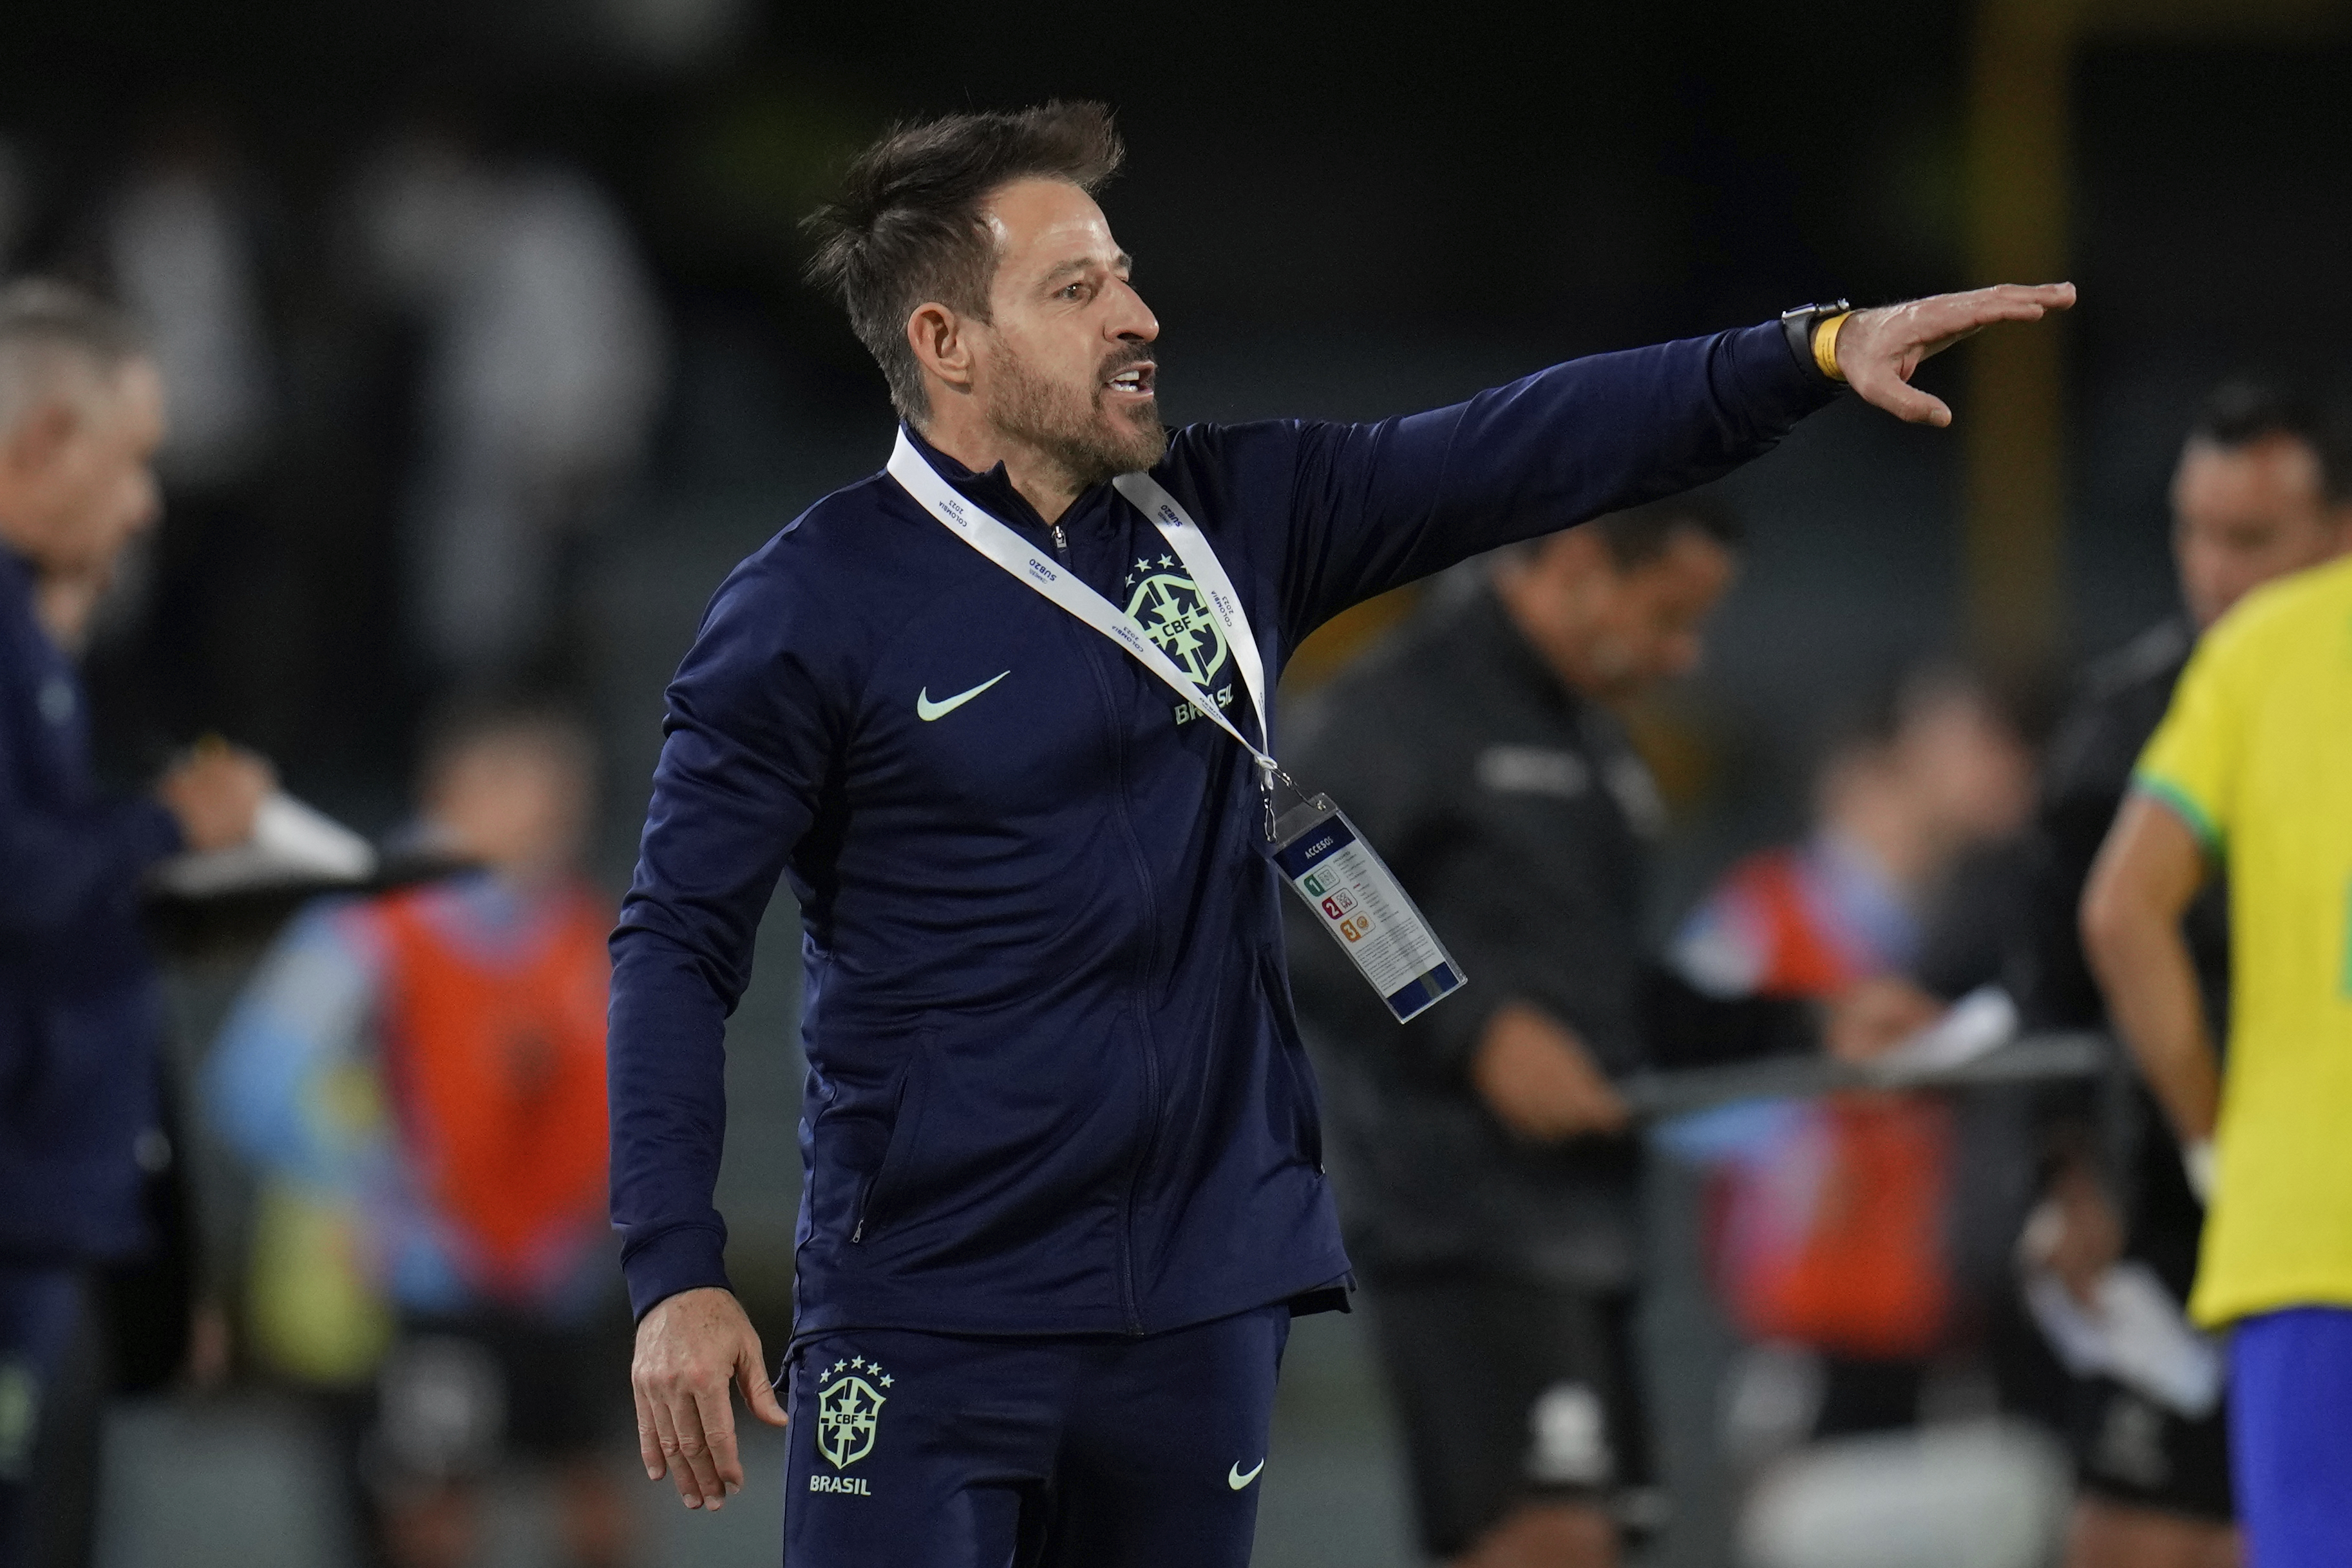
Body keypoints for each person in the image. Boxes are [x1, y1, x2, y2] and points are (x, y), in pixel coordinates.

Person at [607, 99, 2071, 1566]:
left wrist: (1802, 351)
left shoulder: (1234, 516)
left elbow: (1518, 446)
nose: (1137, 313)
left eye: (1121, 271)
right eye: (1076, 288)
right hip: (928, 1299)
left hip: (1200, 1297)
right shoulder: (805, 609)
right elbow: (675, 939)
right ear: (945, 343)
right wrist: (675, 1265)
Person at [1282, 499, 1861, 1568]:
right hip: (1456, 1220)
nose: (1681, 656)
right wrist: (1478, 1033)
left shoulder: (1586, 734)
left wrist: (1814, 1019)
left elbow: (1603, 1003)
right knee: (1551, 1545)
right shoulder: (1403, 706)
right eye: (1666, 617)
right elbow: (1302, 895)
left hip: (1581, 1229)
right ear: (1581, 566)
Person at [2018, 381, 2352, 1568]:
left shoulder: (2253, 671)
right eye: (2190, 530)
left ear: (2338, 529)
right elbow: (2049, 972)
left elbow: (2119, 914)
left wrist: (2225, 1141)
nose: (2210, 567)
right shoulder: (2114, 722)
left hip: (2275, 1194)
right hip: (2169, 1206)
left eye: (2248, 538)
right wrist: (2069, 1170)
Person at [207, 696, 627, 1568]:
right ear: (456, 790)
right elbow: (249, 1081)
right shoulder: (372, 924)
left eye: (563, 792)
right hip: (428, 1285)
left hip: (552, 1280)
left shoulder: (572, 924)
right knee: (431, 1518)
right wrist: (383, 1182)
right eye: (529, 787)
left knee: (596, 1512)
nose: (555, 812)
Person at [0, 279, 269, 1560]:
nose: (144, 502)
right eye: (131, 459)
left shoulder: (33, 639)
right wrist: (175, 823)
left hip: (58, 1204)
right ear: (42, 442)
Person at [1669, 668, 2035, 1453]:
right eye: (1903, 784)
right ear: (1853, 782)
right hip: (1803, 1304)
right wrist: (1784, 1142)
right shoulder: (1762, 908)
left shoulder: (1956, 920)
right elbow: (1670, 1081)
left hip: (1937, 1305)